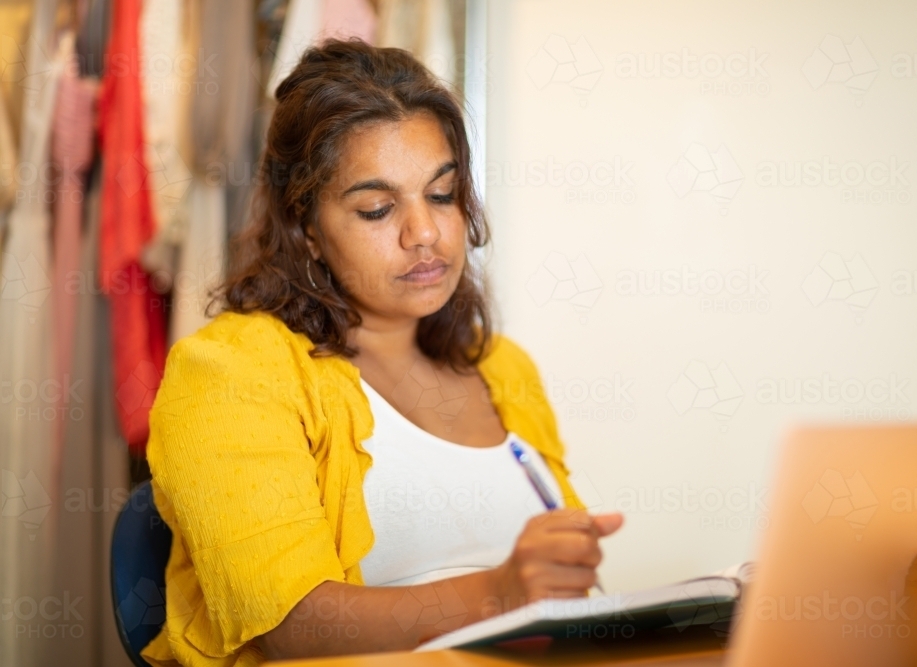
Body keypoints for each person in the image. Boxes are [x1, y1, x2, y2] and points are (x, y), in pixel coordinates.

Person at [140, 37, 624, 667]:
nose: (424, 232)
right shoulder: (228, 374)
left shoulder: (503, 368)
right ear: (306, 228)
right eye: (376, 209)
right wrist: (499, 593)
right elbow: (290, 628)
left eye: (443, 194)